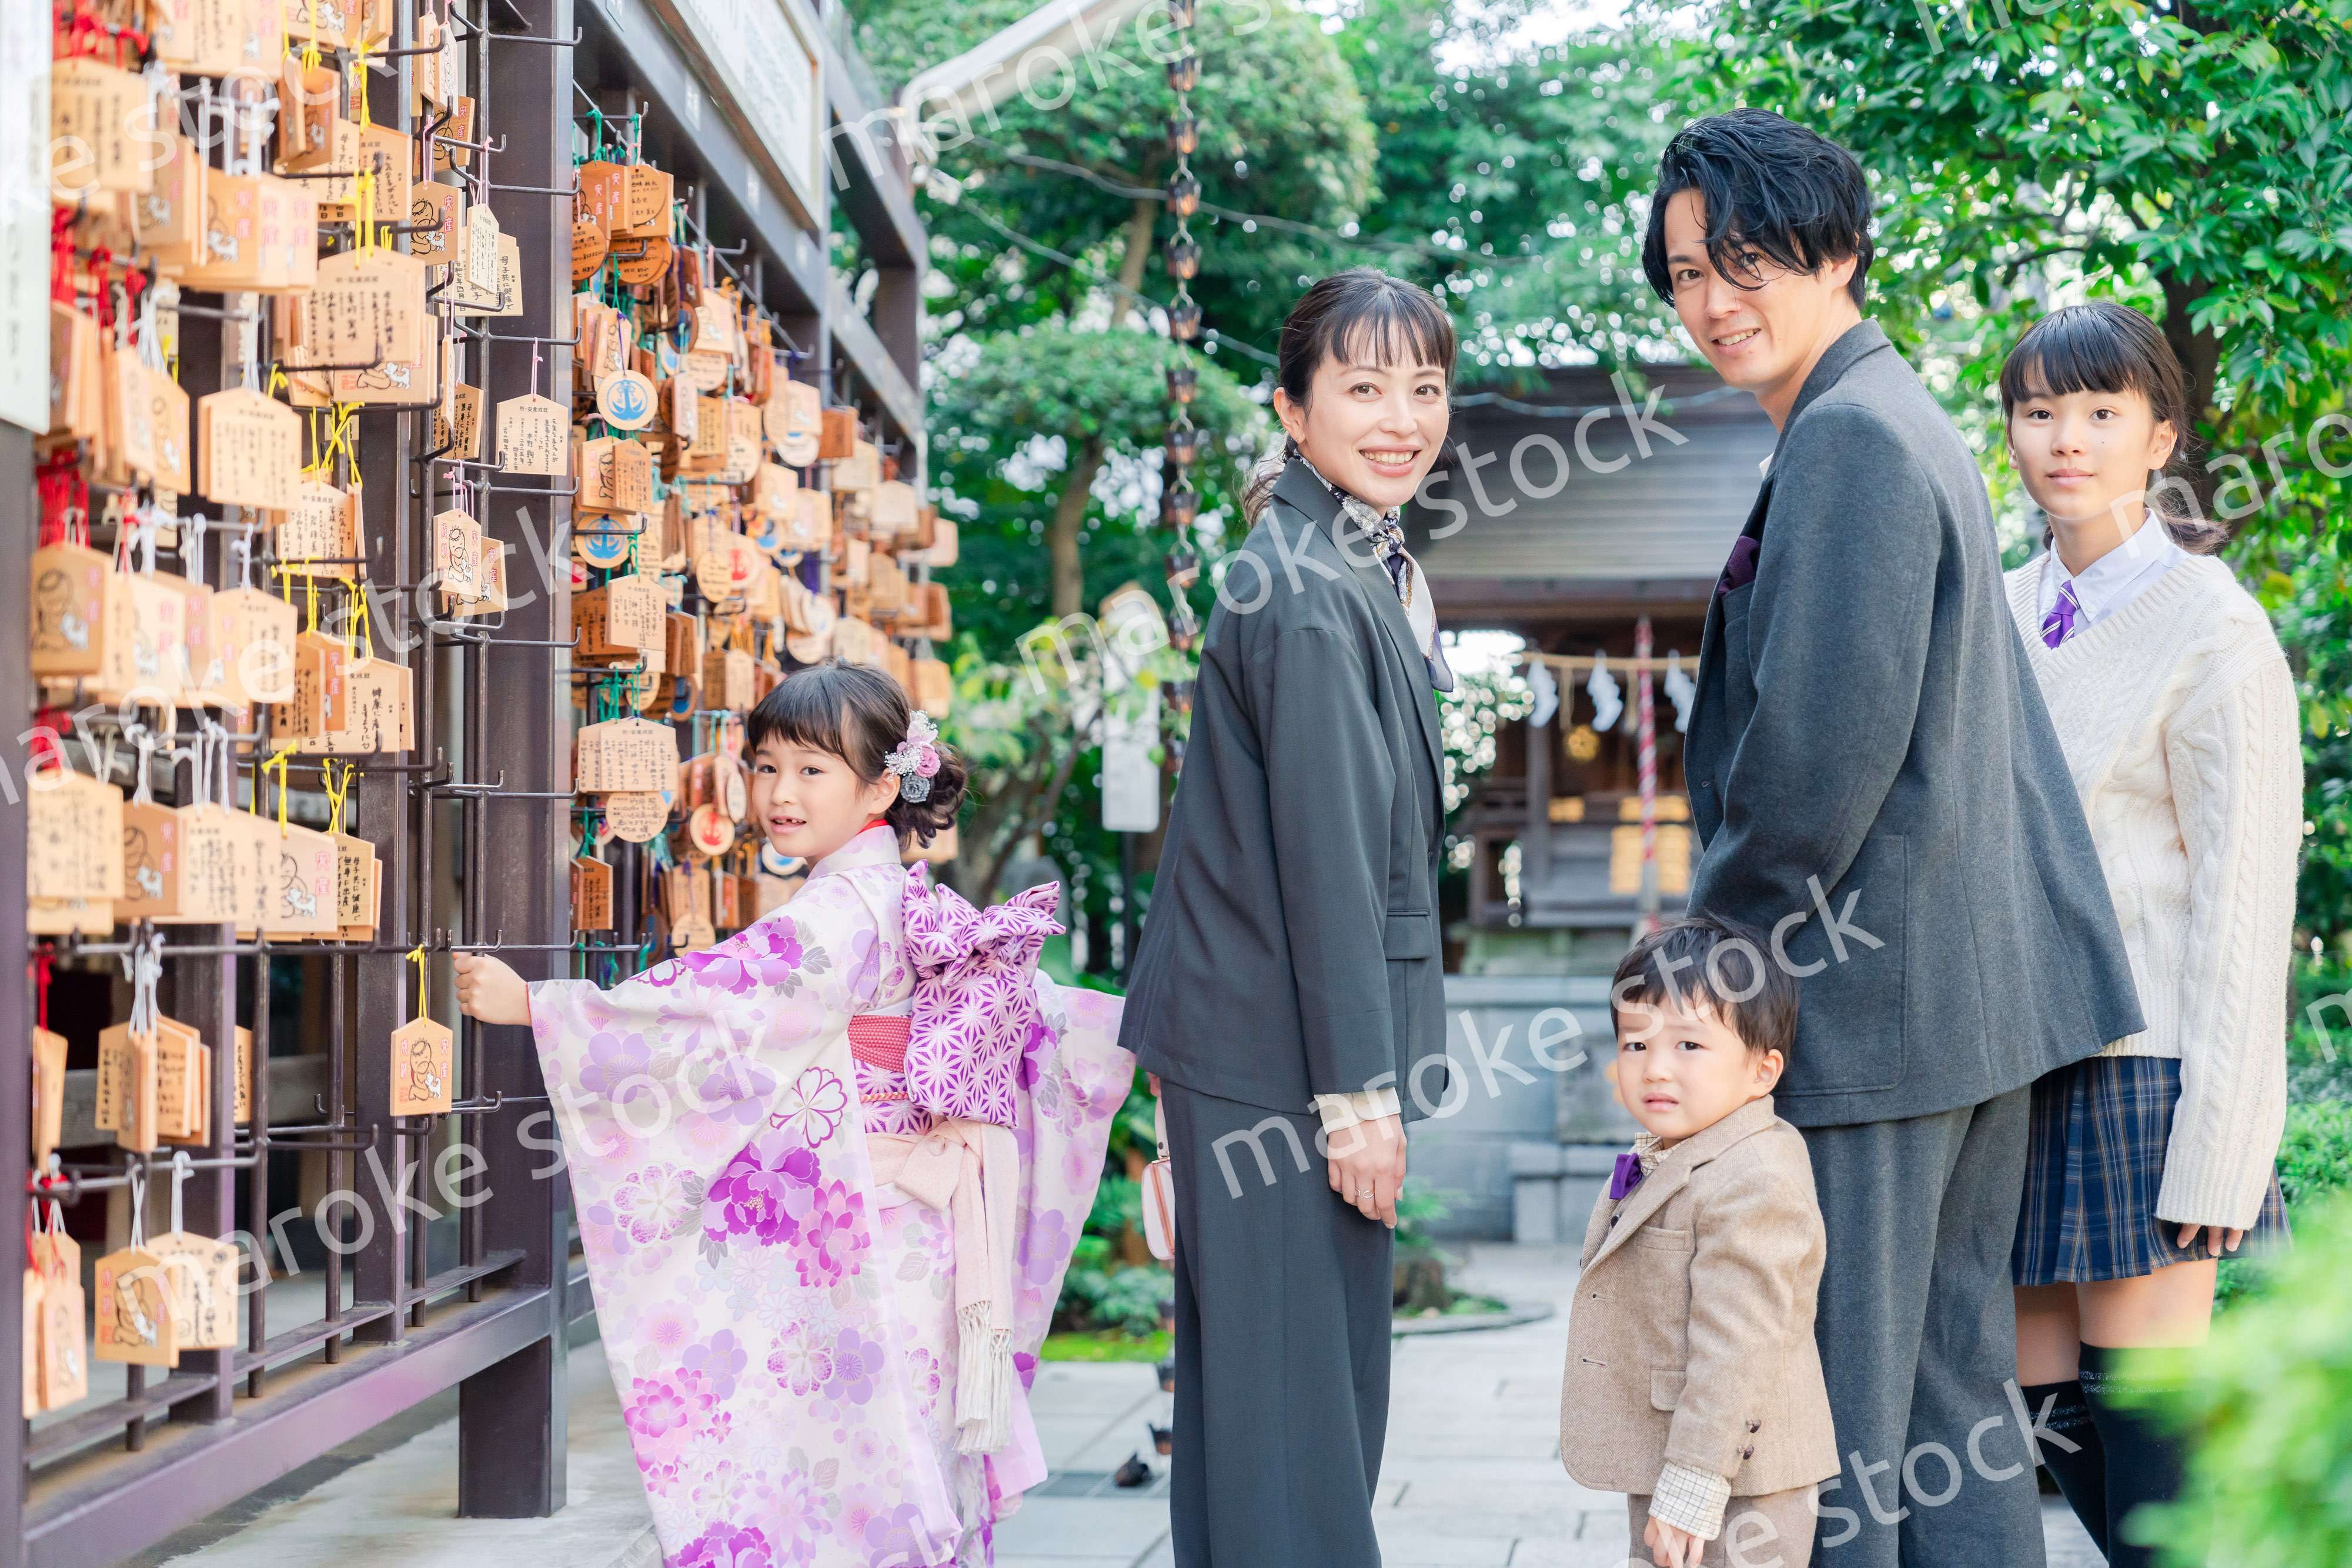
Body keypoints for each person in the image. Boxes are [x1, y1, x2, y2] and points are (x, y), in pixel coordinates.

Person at [1640, 109, 2144, 1568]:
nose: (1711, 297)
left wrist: (1699, 987)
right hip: (1952, 1009)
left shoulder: (1852, 438)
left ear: (1839, 251)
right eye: (1682, 273)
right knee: (1939, 1403)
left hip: (1870, 1014)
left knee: (1836, 1424)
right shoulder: (1883, 411)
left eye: (1744, 259)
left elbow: (1810, 766)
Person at [453, 661, 1134, 1567]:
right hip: (918, 1231)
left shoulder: (842, 913)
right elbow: (1044, 1014)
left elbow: (711, 1007)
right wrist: (1142, 1040)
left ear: (882, 786)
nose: (779, 792)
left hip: (878, 1237)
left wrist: (542, 1005)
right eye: (767, 765)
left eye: (813, 770)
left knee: (846, 1474)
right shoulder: (896, 895)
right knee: (895, 1458)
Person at [1120, 267, 1456, 1565]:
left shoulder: (1333, 562)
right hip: (1280, 1061)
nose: (1398, 418)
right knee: (1297, 1421)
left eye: (1421, 388)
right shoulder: (1310, 589)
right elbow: (1324, 859)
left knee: (1264, 1412)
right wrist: (1357, 1098)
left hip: (1254, 1048)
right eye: (1361, 387)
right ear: (1292, 408)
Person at [1996, 302, 2300, 1566]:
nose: (2064, 439)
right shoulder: (1998, 610)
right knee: (2043, 1435)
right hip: (2011, 1071)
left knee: (2153, 1487)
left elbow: (2242, 904)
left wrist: (2222, 1147)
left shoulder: (2209, 623)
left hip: (2145, 1074)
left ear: (2159, 435)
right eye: (2036, 411)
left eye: (2100, 412)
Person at [1561, 917, 1838, 1568]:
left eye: (1689, 1046)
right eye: (1635, 1045)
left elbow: (1736, 1350)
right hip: (1671, 1453)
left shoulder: (1756, 1178)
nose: (1655, 1068)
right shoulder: (1679, 1152)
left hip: (1735, 1479)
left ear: (1761, 1071)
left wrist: (1692, 1485)